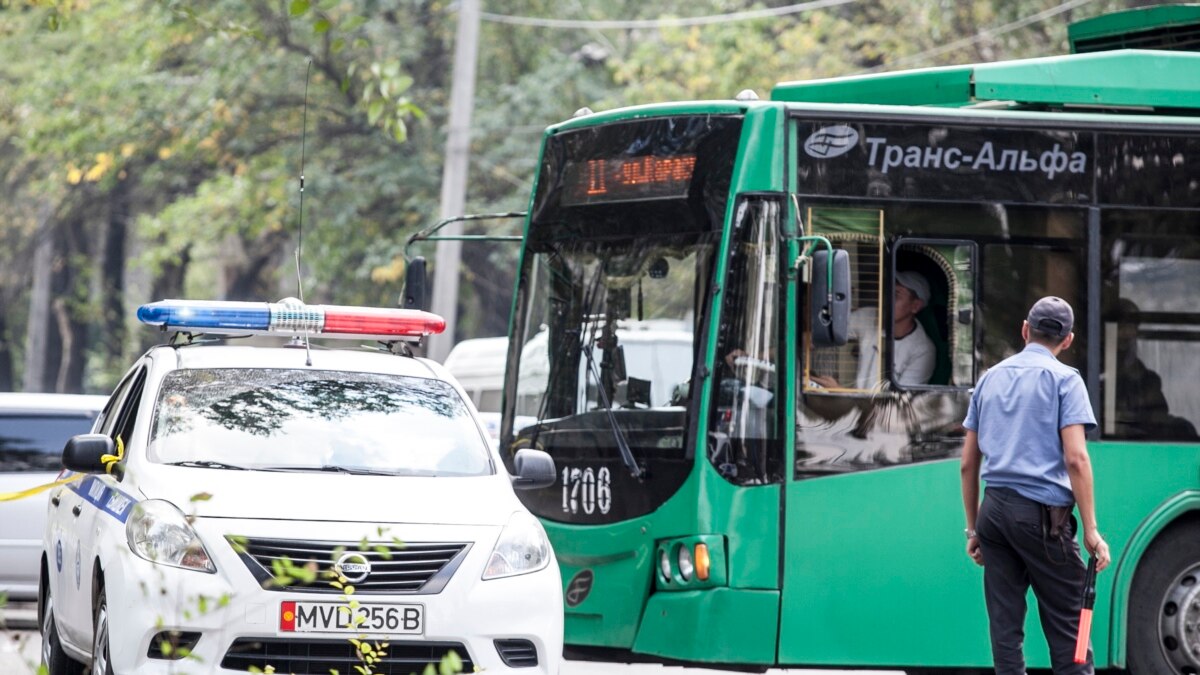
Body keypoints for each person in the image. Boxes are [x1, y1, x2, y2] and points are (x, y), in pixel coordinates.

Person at [960, 296, 1112, 675]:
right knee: (1069, 631)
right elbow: (1076, 458)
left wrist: (974, 528)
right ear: (1069, 340)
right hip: (1042, 518)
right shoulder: (1066, 380)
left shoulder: (989, 378)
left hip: (993, 512)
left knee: (1005, 631)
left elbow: (967, 463)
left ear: (1025, 330)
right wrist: (1091, 529)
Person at [811, 270, 936, 390]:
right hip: (853, 405)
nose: (887, 299)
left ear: (915, 306)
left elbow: (897, 404)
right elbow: (827, 330)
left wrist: (837, 390)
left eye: (896, 295)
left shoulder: (923, 351)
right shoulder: (869, 316)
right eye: (888, 292)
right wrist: (810, 338)